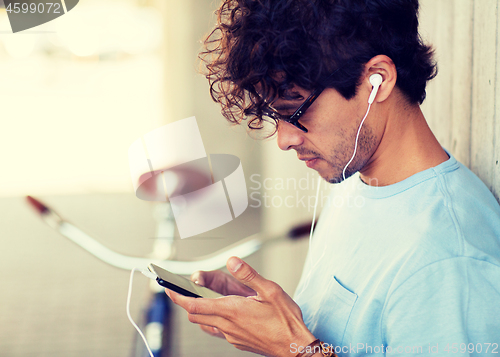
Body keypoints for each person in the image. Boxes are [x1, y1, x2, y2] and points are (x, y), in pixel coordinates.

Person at [165, 0, 500, 356]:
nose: (284, 139)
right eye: (273, 115)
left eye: (293, 111)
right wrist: (278, 325)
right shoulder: (358, 180)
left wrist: (296, 349)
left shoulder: (448, 262)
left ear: (378, 81)